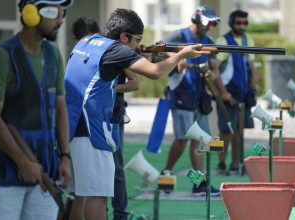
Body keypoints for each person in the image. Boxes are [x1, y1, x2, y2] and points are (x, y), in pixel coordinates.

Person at [64, 8, 208, 220]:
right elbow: (155, 72)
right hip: (92, 132)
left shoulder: (86, 42)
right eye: (136, 40)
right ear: (123, 36)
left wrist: (136, 52)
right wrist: (182, 54)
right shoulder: (116, 50)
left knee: (79, 195)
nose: (138, 45)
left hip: (70, 128)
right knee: (97, 198)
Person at [0, 0, 73, 219]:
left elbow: (60, 109)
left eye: (62, 13)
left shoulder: (53, 55)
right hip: (6, 171)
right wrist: (22, 162)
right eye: (54, 13)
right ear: (30, 14)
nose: (60, 20)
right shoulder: (1, 56)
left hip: (46, 168)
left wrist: (65, 156)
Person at [68, 16, 139, 220]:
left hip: (110, 117)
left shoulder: (112, 52)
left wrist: (105, 89)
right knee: (83, 192)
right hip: (84, 122)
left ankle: (120, 213)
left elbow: (135, 83)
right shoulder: (79, 53)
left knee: (112, 174)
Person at [160, 5, 221, 196]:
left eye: (212, 22)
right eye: (207, 21)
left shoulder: (208, 41)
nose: (210, 25)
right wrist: (178, 58)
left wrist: (212, 74)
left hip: (200, 97)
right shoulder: (178, 35)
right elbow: (157, 50)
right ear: (196, 19)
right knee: (181, 139)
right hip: (181, 94)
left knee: (199, 141)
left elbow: (215, 68)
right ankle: (166, 173)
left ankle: (198, 183)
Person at [215, 10, 257, 174]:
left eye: (245, 23)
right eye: (239, 22)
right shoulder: (223, 40)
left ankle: (236, 164)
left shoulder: (249, 41)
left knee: (239, 131)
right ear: (231, 23)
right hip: (228, 93)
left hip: (244, 94)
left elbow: (251, 67)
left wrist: (253, 89)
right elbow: (215, 69)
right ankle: (221, 163)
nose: (242, 26)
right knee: (226, 130)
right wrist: (224, 93)